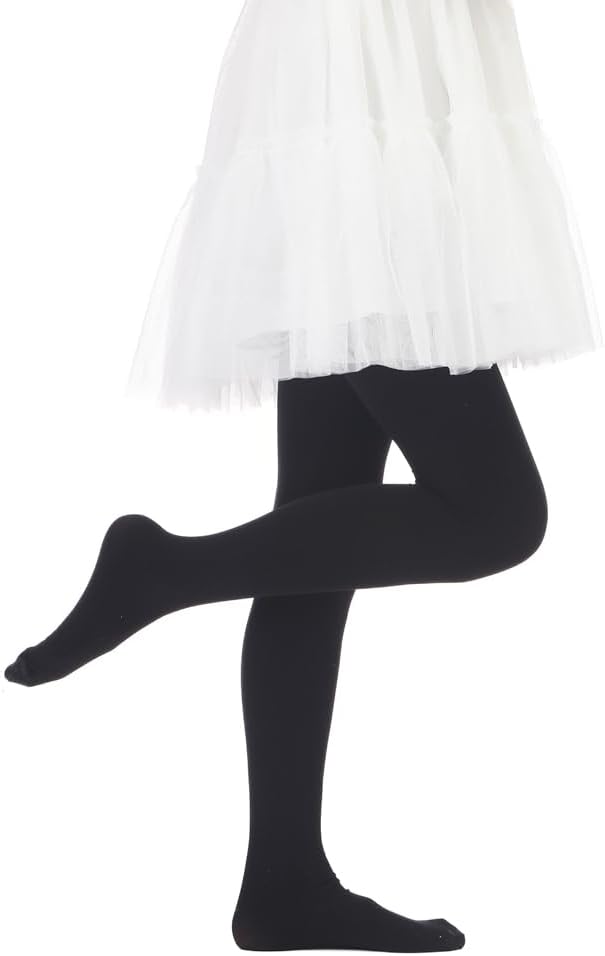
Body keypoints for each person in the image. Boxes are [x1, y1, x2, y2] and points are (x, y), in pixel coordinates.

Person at [5, 2, 603, 952]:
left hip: (364, 88)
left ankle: (282, 884)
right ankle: (162, 570)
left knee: (314, 536)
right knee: (496, 515)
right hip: (366, 87)